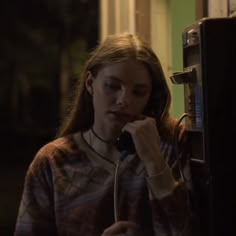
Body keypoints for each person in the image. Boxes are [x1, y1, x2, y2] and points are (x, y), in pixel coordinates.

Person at [14, 33, 192, 236]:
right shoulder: (54, 162)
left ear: (151, 96)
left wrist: (155, 163)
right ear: (90, 83)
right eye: (113, 86)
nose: (124, 100)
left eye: (138, 92)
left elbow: (195, 227)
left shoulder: (173, 146)